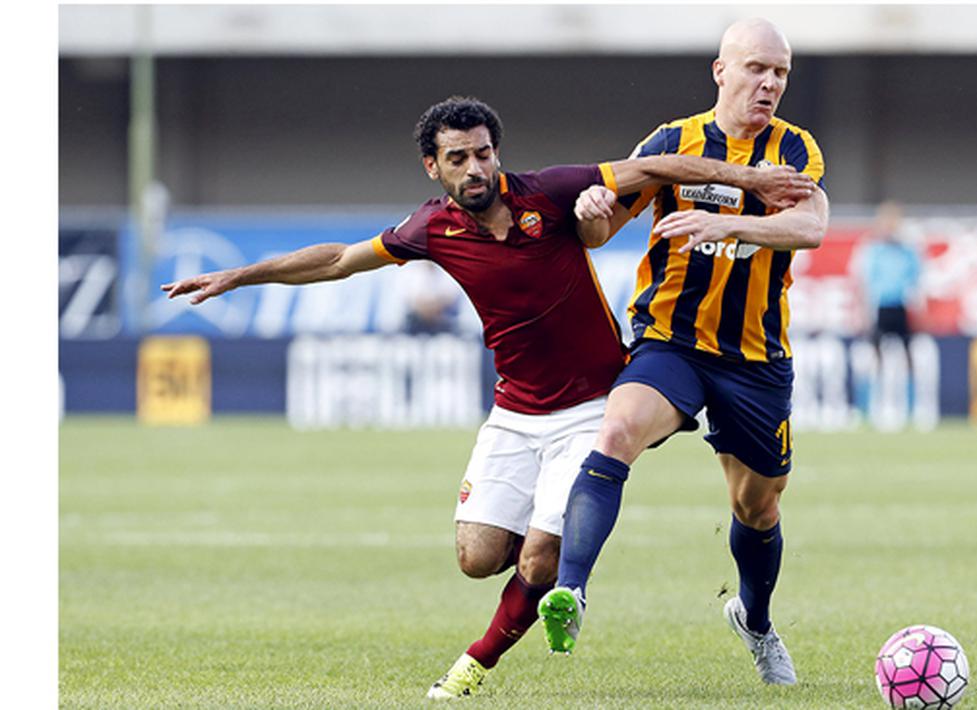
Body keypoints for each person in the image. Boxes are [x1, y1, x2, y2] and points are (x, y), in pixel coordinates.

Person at [160, 96, 816, 699]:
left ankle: (480, 656)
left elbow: (654, 166)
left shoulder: (549, 192)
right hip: (514, 413)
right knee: (477, 559)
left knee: (542, 555)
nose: (474, 168)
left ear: (496, 153)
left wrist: (747, 180)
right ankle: (547, 550)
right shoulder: (430, 228)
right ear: (433, 167)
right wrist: (240, 276)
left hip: (593, 406)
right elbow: (339, 260)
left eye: (482, 153)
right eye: (457, 159)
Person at [538, 18, 829, 687]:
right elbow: (599, 231)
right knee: (617, 431)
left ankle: (755, 621)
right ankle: (571, 591)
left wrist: (722, 221)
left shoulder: (794, 148)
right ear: (721, 71)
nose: (769, 84)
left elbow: (809, 225)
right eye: (756, 68)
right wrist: (590, 209)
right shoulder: (671, 143)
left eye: (780, 73)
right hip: (671, 341)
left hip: (755, 358)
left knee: (757, 507)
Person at [853, 200, 922, 424]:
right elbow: (865, 281)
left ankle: (911, 407)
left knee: (908, 355)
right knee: (875, 356)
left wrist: (917, 306)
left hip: (901, 306)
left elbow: (917, 279)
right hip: (880, 307)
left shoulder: (908, 250)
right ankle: (870, 406)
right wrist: (865, 311)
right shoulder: (873, 249)